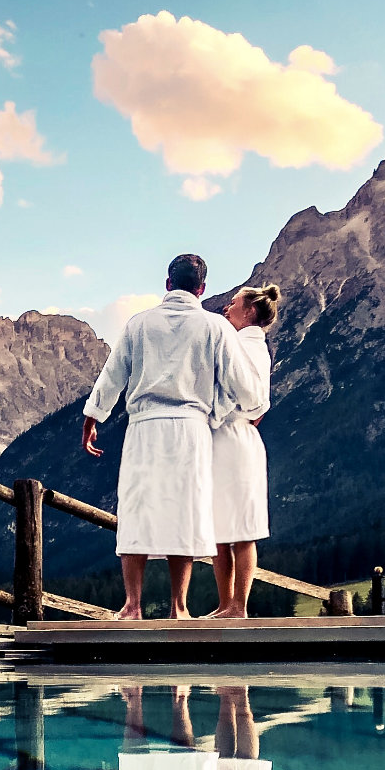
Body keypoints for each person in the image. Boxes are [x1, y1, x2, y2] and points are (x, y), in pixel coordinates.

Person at [82, 254, 266, 619]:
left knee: (136, 511)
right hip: (192, 429)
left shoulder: (138, 324)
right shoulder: (215, 328)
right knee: (187, 511)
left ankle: (132, 606)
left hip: (144, 427)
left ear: (168, 283)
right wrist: (243, 406)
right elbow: (248, 391)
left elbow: (112, 375)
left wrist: (93, 416)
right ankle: (178, 608)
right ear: (202, 289)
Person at [207, 285, 279, 619]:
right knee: (222, 526)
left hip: (233, 436)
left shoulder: (246, 347)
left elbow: (250, 397)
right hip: (229, 438)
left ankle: (238, 605)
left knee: (241, 527)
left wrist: (214, 412)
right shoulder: (251, 347)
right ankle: (227, 604)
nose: (226, 307)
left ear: (250, 311)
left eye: (233, 303)